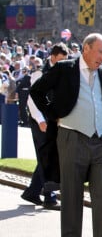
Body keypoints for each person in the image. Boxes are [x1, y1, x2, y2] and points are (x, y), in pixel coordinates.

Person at [29, 33, 102, 237]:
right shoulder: (64, 68)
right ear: (86, 49)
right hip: (72, 138)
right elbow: (37, 91)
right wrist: (53, 114)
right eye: (100, 51)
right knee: (71, 193)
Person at [20, 43, 69, 209]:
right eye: (61, 59)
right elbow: (32, 99)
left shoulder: (61, 73)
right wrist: (41, 120)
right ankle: (49, 196)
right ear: (53, 57)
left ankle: (33, 192)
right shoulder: (40, 74)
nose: (64, 62)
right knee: (48, 156)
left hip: (53, 120)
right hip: (40, 121)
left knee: (48, 156)